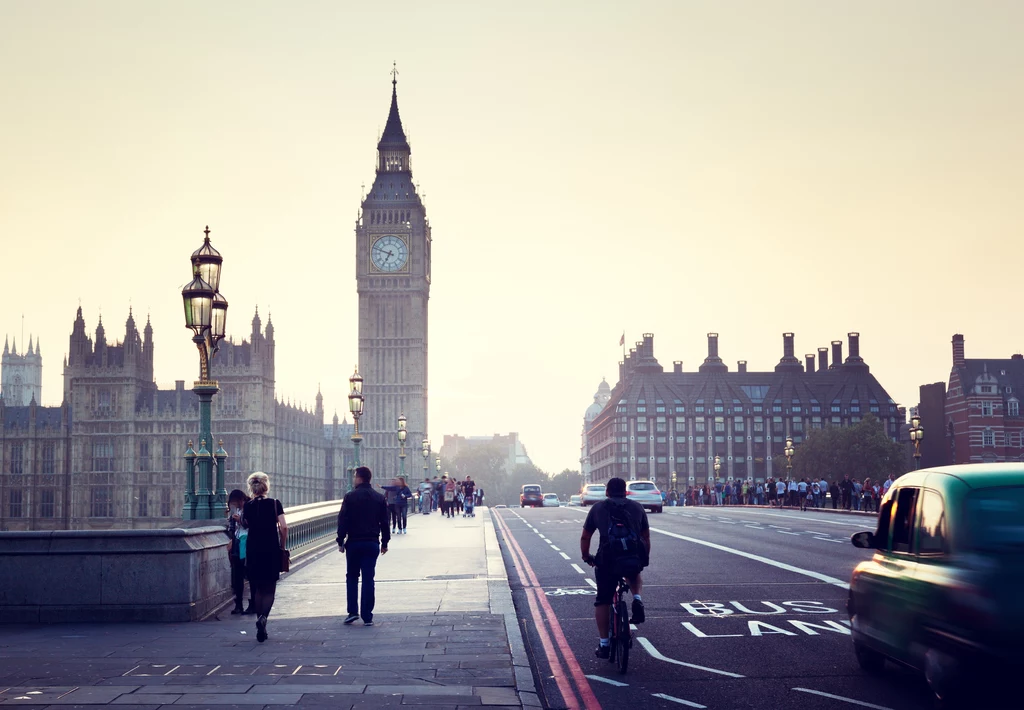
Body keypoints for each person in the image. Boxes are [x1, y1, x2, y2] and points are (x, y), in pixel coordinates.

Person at [580, 477, 651, 659]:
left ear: (607, 492)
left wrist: (587, 556)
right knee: (633, 572)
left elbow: (586, 537)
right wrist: (643, 560)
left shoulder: (598, 508)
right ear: (625, 491)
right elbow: (645, 537)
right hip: (632, 557)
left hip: (607, 560)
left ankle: (604, 644)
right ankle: (637, 598)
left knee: (603, 600)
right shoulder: (637, 507)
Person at [336, 466, 390, 626]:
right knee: (368, 578)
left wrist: (340, 540)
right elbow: (385, 522)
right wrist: (385, 542)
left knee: (352, 576)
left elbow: (342, 520)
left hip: (354, 543)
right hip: (372, 543)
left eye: (354, 476)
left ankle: (353, 612)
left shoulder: (350, 497)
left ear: (359, 478)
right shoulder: (379, 498)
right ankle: (367, 616)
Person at [242, 472, 287, 643]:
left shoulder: (248, 506)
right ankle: (263, 620)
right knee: (270, 588)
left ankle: (260, 619)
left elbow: (246, 524)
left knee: (258, 589)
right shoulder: (275, 504)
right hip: (270, 549)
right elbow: (283, 527)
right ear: (266, 486)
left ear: (251, 487)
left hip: (253, 550)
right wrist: (282, 546)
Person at [226, 489, 255, 615]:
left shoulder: (251, 507)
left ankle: (253, 603)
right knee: (237, 574)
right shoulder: (235, 511)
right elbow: (233, 528)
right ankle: (238, 604)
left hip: (250, 543)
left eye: (236, 503)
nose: (235, 506)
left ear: (241, 500)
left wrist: (240, 520)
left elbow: (254, 525)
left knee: (250, 574)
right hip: (238, 543)